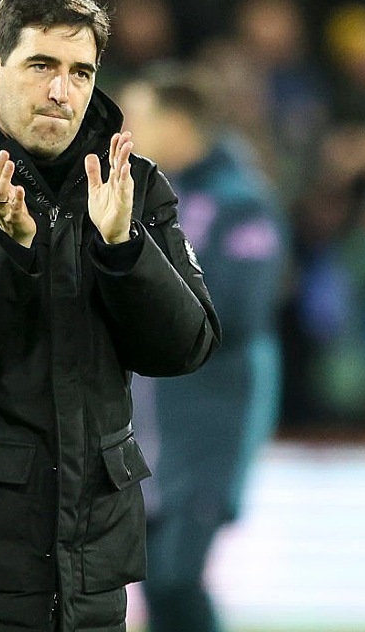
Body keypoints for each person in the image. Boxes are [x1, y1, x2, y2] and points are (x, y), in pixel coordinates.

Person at [0, 0, 221, 631]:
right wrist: (8, 250)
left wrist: (123, 249)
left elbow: (188, 344)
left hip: (89, 578)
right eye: (42, 66)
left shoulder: (130, 187)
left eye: (81, 71)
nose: (63, 91)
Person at [119, 74, 286, 632]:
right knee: (153, 579)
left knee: (176, 575)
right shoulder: (145, 196)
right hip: (153, 425)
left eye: (140, 119)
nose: (129, 132)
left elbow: (237, 311)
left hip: (215, 420)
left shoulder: (243, 203)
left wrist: (141, 301)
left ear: (178, 122)